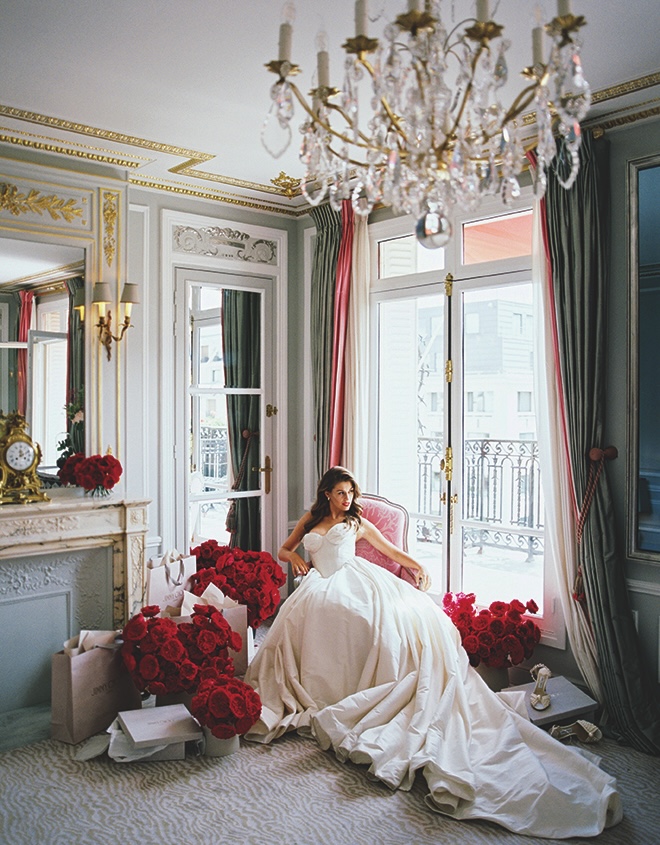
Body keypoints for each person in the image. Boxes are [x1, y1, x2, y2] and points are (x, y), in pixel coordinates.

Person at [244, 467, 622, 839]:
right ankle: (319, 687)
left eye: (351, 493)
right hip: (318, 584)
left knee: (367, 619)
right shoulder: (311, 519)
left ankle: (364, 689)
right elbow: (284, 548)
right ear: (327, 493)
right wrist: (293, 558)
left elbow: (390, 550)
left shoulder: (356, 522)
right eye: (341, 493)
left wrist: (417, 564)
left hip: (353, 579)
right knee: (303, 620)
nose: (348, 499)